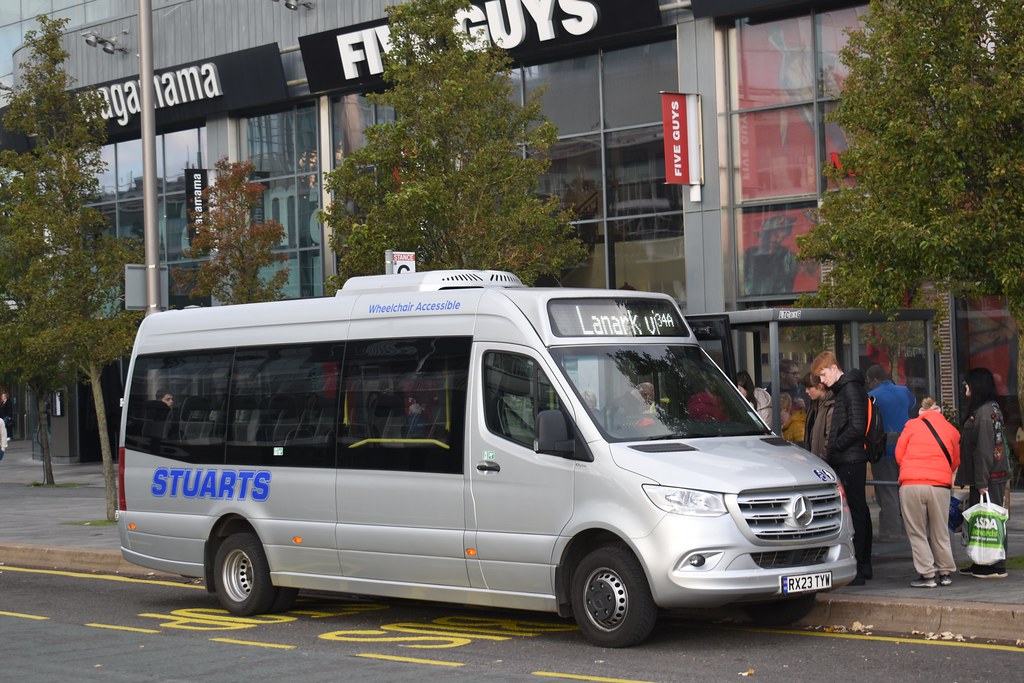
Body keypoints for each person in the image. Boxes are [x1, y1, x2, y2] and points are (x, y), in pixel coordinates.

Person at [812, 351, 872, 585]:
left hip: (850, 459)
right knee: (860, 511)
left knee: (856, 513)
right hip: (850, 458)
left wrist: (835, 445)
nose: (822, 381)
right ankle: (863, 564)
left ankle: (860, 564)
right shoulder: (848, 389)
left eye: (823, 374)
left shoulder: (850, 390)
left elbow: (856, 427)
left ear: (834, 368)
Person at [895, 397, 960, 588]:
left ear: (921, 411)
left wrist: (913, 469)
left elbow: (899, 455)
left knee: (917, 532)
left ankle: (927, 575)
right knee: (940, 530)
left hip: (912, 484)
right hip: (940, 486)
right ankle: (945, 572)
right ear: (938, 410)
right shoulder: (951, 430)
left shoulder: (911, 426)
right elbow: (955, 461)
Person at [956, 367, 1010, 578]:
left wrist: (981, 482)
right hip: (987, 476)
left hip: (988, 478)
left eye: (967, 383)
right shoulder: (987, 409)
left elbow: (985, 450)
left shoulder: (985, 413)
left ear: (977, 385)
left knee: (990, 518)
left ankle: (995, 565)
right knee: (982, 519)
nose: (965, 387)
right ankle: (982, 562)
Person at [866, 364, 916, 541]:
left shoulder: (872, 397)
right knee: (903, 490)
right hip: (905, 450)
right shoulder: (903, 391)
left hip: (884, 451)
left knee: (887, 492)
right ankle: (906, 528)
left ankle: (892, 531)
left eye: (869, 382)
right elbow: (912, 405)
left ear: (874, 380)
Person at [802, 372, 833, 460]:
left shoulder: (831, 406)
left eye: (809, 387)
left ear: (820, 386)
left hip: (823, 463)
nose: (806, 391)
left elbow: (830, 439)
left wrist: (821, 460)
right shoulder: (814, 404)